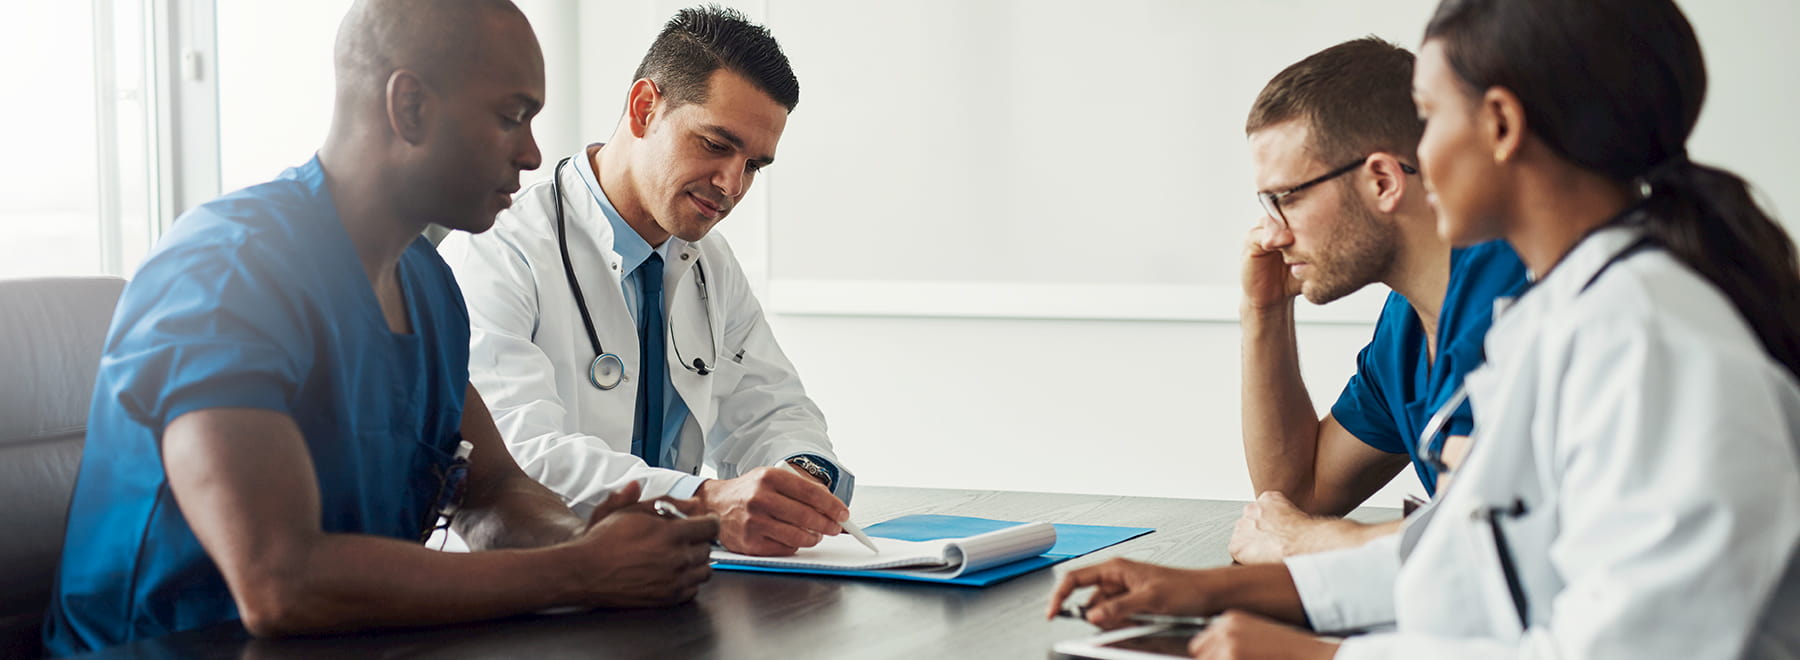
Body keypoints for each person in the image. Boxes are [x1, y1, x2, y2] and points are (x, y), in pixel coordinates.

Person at [1050, 0, 1800, 656]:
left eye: (1431, 117)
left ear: (1501, 125)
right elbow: (1478, 560)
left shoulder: (1647, 337)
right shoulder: (1558, 316)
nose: (1418, 154)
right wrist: (1203, 590)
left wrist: (1316, 659)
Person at [43, 1, 718, 655]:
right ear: (410, 107)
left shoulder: (425, 283)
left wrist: (583, 538)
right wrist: (578, 571)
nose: (534, 154)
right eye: (512, 118)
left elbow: (494, 492)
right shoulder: (226, 271)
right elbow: (280, 583)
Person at [438, 5, 852, 557]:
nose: (732, 184)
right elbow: (519, 459)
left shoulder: (710, 262)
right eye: (716, 144)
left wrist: (799, 477)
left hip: (658, 580)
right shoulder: (499, 246)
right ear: (644, 108)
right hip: (526, 591)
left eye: (754, 165)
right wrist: (702, 500)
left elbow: (775, 408)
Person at [1232, 38, 1527, 563]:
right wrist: (1265, 312)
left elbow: (1512, 537)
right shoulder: (1406, 326)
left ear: (1383, 180)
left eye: (1289, 198)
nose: (1271, 234)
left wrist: (1312, 541)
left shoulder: (1521, 296)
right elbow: (1298, 494)